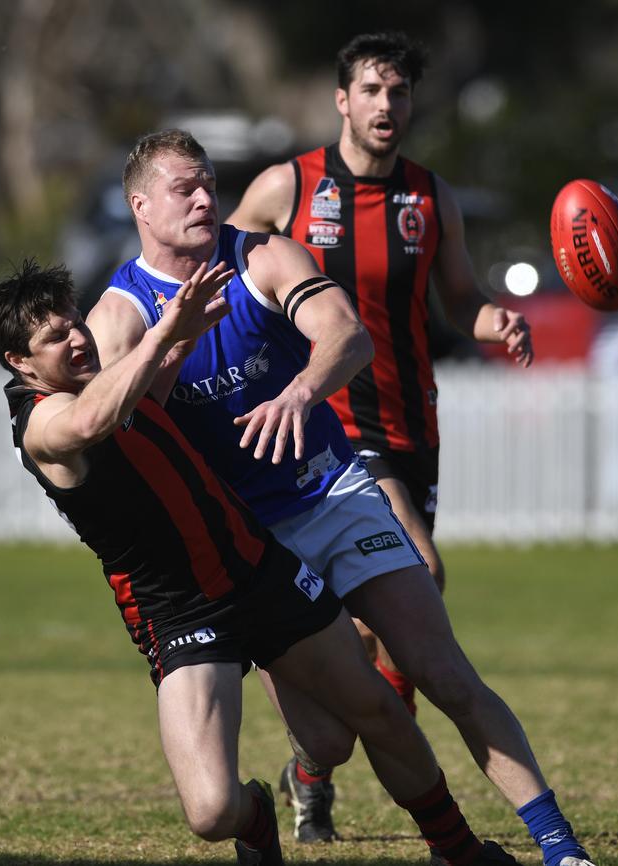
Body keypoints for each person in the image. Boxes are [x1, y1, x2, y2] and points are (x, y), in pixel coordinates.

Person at [85, 129, 594, 866]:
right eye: (183, 189)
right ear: (140, 206)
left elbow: (348, 336)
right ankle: (297, 780)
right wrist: (174, 342)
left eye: (207, 185)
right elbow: (123, 433)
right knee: (328, 741)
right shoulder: (119, 314)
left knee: (444, 672)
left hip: (332, 491)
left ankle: (557, 842)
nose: (204, 198)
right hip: (252, 544)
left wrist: (299, 392)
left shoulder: (259, 255)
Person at [0, 259, 528, 866]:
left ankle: (458, 848)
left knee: (372, 715)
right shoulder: (43, 423)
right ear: (19, 363)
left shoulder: (105, 381)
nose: (78, 338)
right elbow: (93, 421)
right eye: (54, 338)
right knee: (211, 813)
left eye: (75, 323)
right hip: (177, 613)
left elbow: (146, 401)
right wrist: (164, 334)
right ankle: (258, 816)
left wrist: (184, 336)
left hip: (257, 570)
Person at [228, 24, 537, 821]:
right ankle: (406, 772)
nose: (386, 104)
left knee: (372, 628)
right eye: (371, 89)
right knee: (423, 573)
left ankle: (313, 767)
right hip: (327, 423)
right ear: (342, 99)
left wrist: (494, 320)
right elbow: (225, 280)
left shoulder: (431, 197)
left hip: (411, 426)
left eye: (398, 91)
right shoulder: (286, 189)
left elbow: (459, 299)